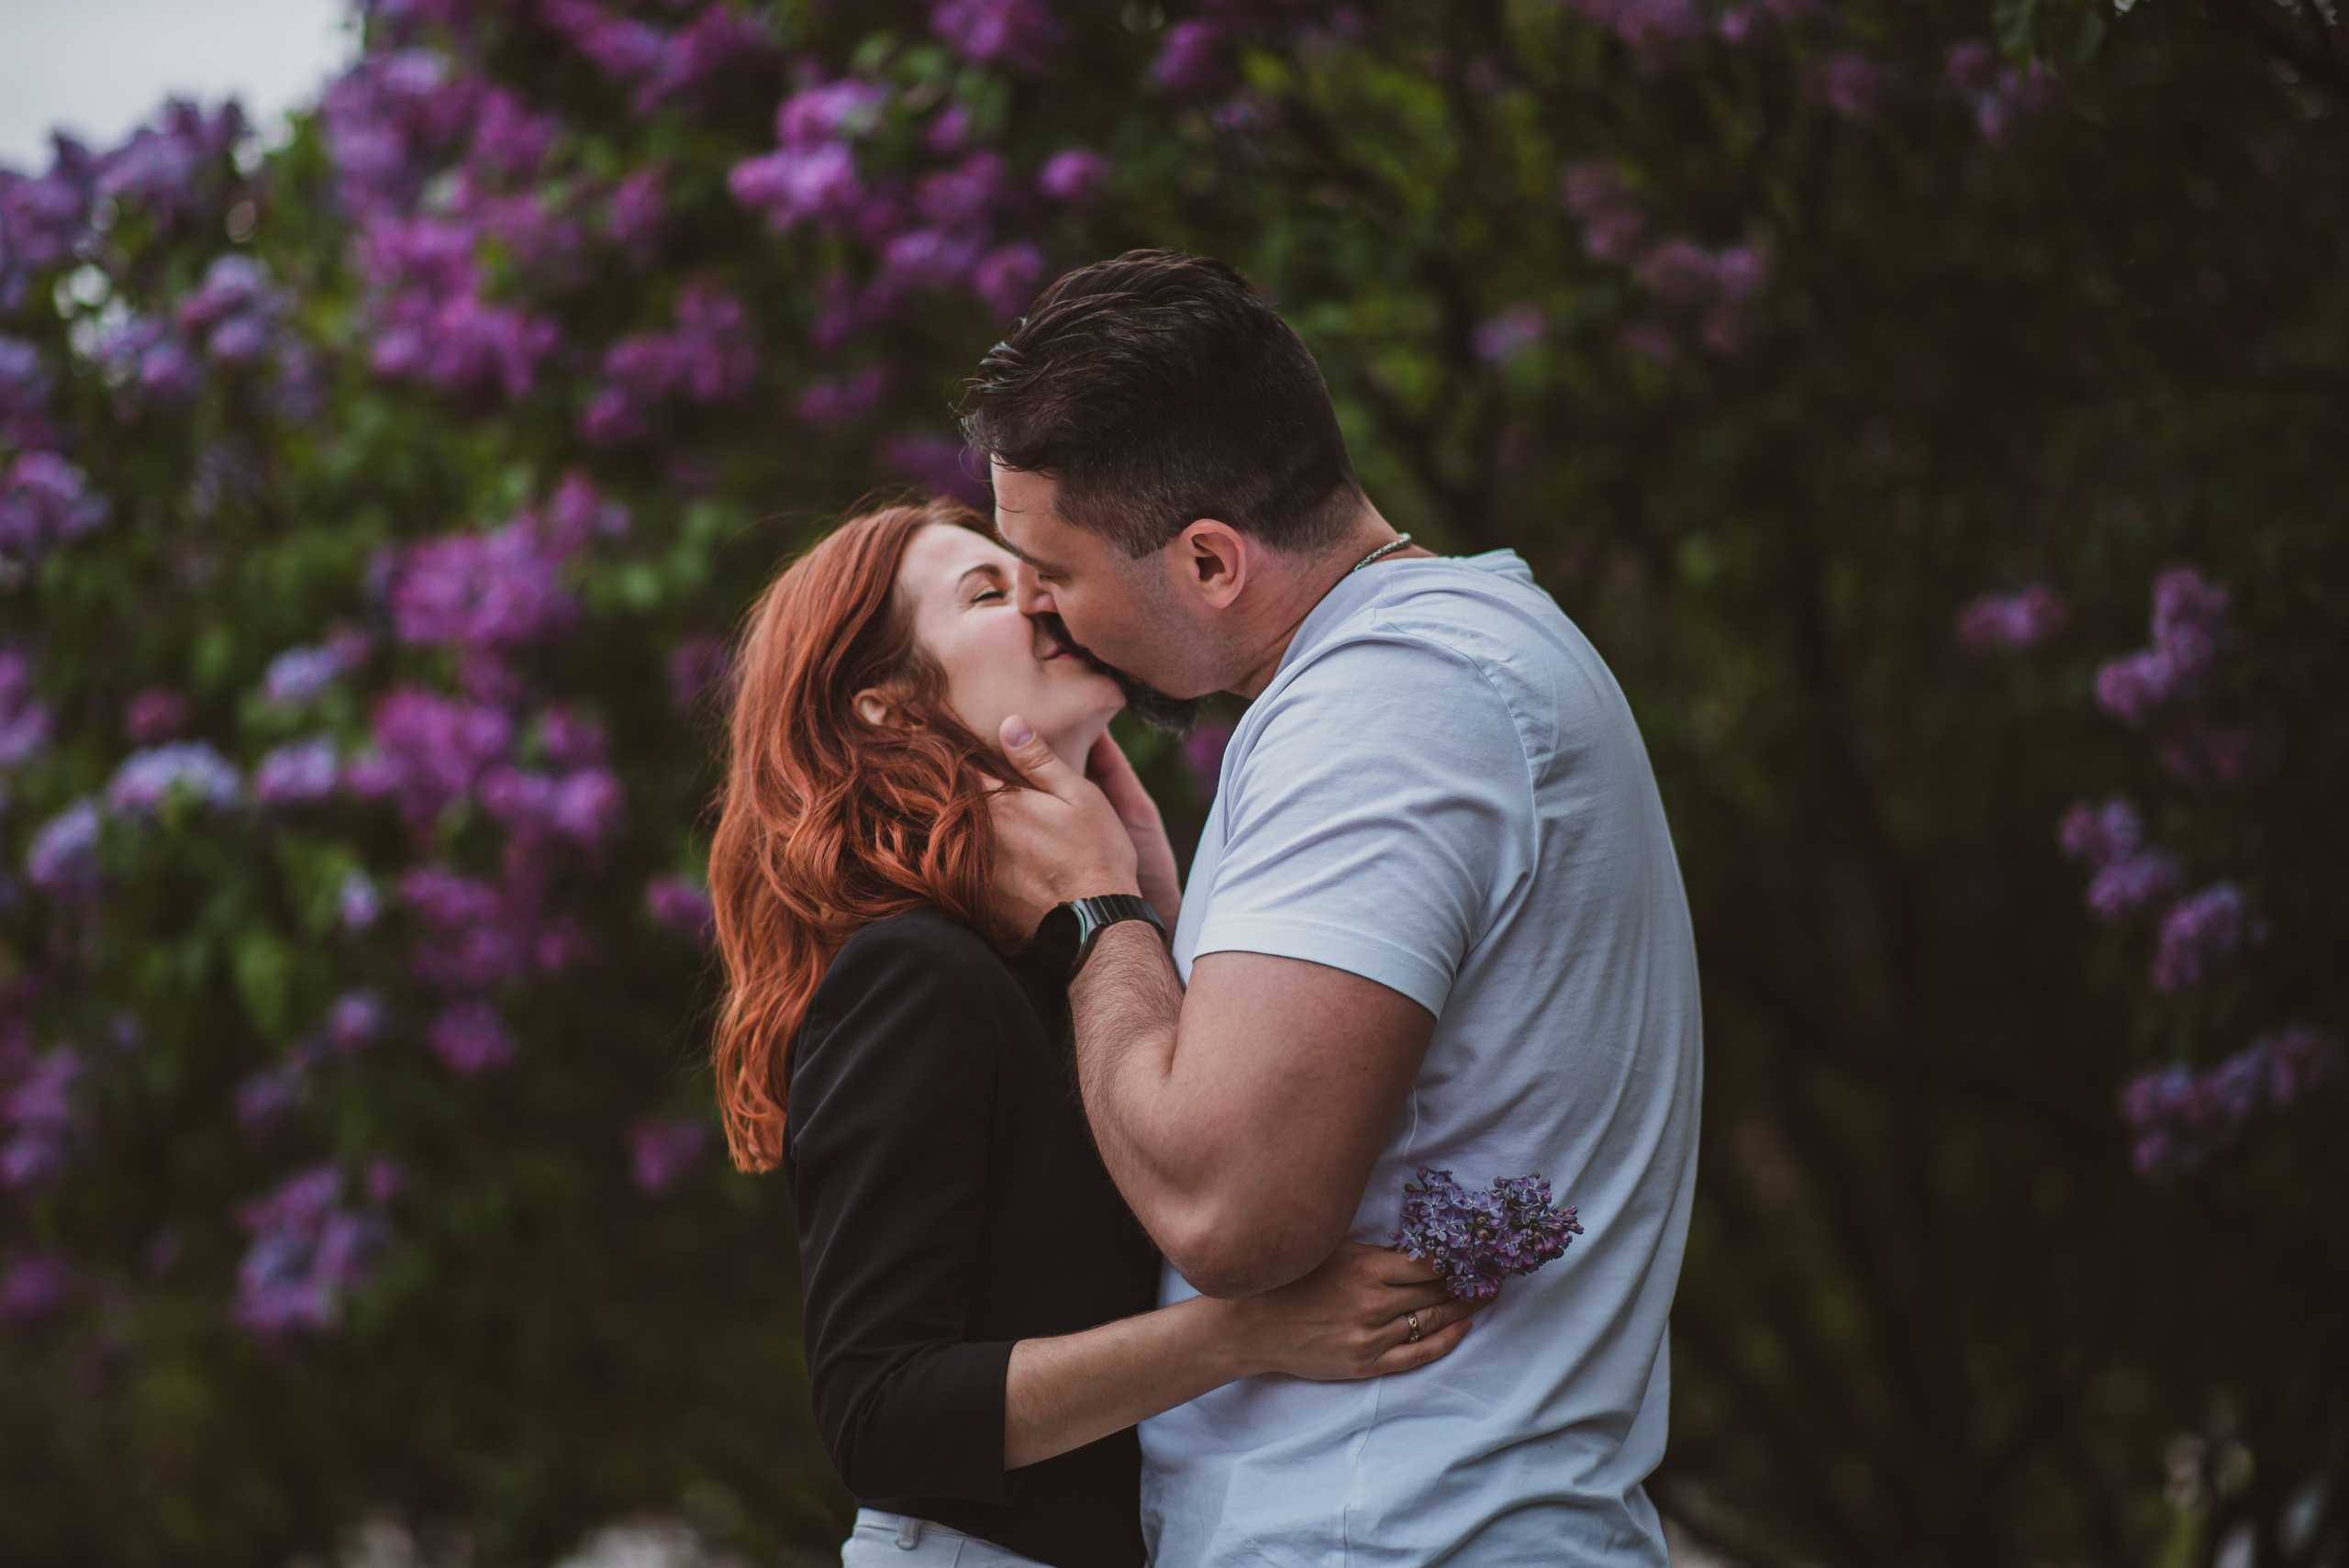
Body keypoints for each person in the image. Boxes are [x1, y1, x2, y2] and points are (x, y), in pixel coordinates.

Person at [964, 250, 1705, 1565]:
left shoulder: (1388, 708)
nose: (1041, 615)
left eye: (1051, 572)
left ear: (1208, 561)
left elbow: (1230, 1211)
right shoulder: (1461, 656)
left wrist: (1097, 915)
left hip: (1392, 1529)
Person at [704, 498, 1483, 1568]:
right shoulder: (913, 971)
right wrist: (1245, 1331)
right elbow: (879, 1413)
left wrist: (1147, 921)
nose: (1036, 591)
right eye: (984, 592)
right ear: (887, 708)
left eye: (1027, 569)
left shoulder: (1058, 962)